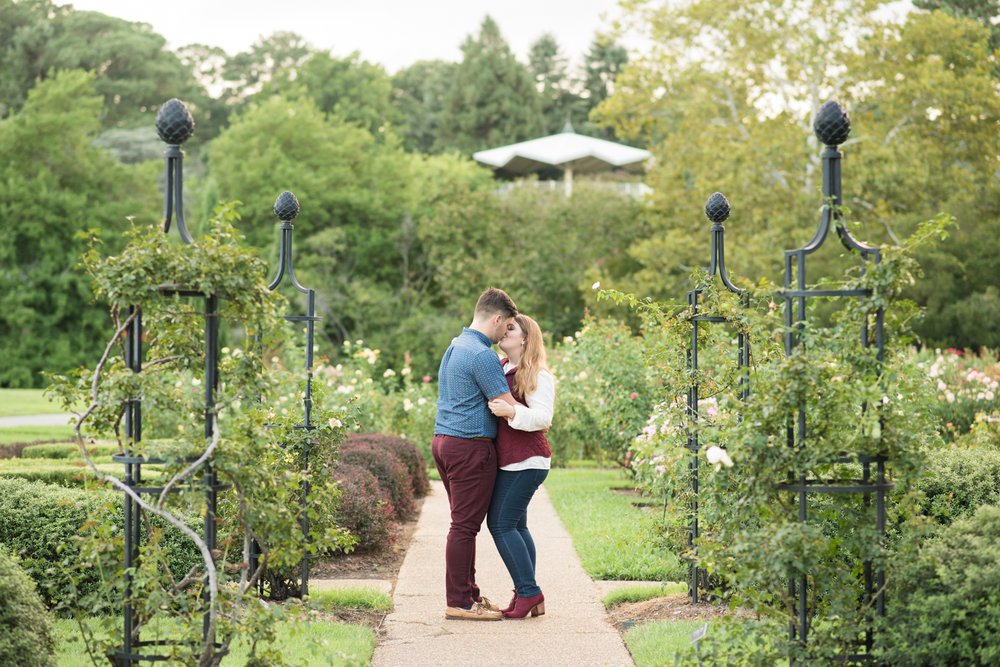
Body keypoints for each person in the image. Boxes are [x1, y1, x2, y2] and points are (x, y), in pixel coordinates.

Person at [432, 287, 519, 621]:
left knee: (462, 525)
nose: (505, 333)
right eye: (507, 325)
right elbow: (508, 407)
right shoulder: (483, 355)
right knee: (464, 527)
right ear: (496, 318)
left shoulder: (456, 345)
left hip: (444, 441)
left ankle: (469, 595)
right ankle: (460, 601)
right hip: (470, 447)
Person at [486, 314, 554, 619]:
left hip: (528, 460)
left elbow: (543, 418)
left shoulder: (538, 374)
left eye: (510, 328)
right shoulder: (501, 367)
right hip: (513, 461)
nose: (503, 332)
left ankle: (529, 592)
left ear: (525, 338)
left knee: (500, 524)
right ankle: (526, 593)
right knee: (517, 526)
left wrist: (511, 411)